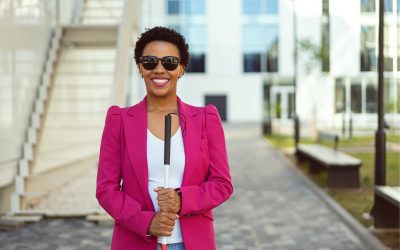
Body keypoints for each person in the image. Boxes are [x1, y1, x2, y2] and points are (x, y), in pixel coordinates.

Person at [96, 26, 233, 250]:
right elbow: (106, 189)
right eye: (150, 62)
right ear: (140, 67)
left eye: (169, 62)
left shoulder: (206, 119)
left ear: (181, 69)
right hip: (136, 241)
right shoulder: (119, 120)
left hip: (192, 243)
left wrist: (182, 199)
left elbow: (222, 184)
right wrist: (147, 221)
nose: (159, 69)